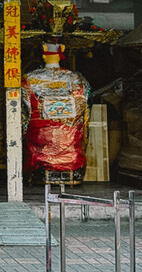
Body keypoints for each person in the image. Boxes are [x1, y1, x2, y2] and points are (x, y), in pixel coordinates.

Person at [22, 42, 91, 184]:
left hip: (41, 142)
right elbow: (85, 114)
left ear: (43, 55)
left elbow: (24, 117)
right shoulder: (78, 80)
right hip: (70, 144)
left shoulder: (28, 79)